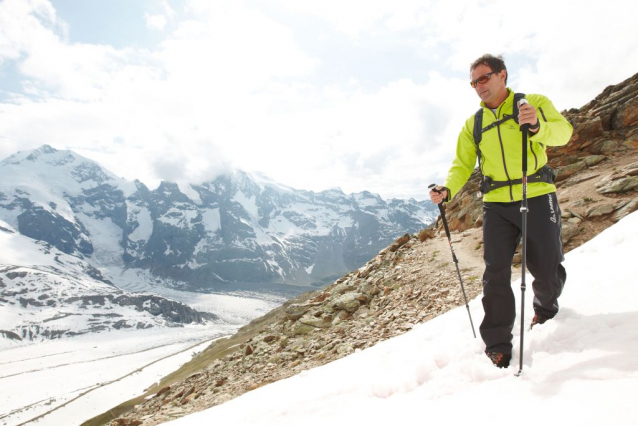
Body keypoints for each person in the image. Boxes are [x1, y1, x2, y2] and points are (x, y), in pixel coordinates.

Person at [430, 54, 573, 368]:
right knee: (495, 274)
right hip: (496, 204)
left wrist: (537, 125)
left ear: (502, 75)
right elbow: (462, 165)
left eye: (484, 78)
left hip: (536, 194)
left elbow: (564, 133)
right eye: (474, 82)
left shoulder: (531, 103)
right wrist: (447, 190)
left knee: (546, 264)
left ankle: (545, 308)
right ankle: (497, 343)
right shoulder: (474, 124)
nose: (479, 86)